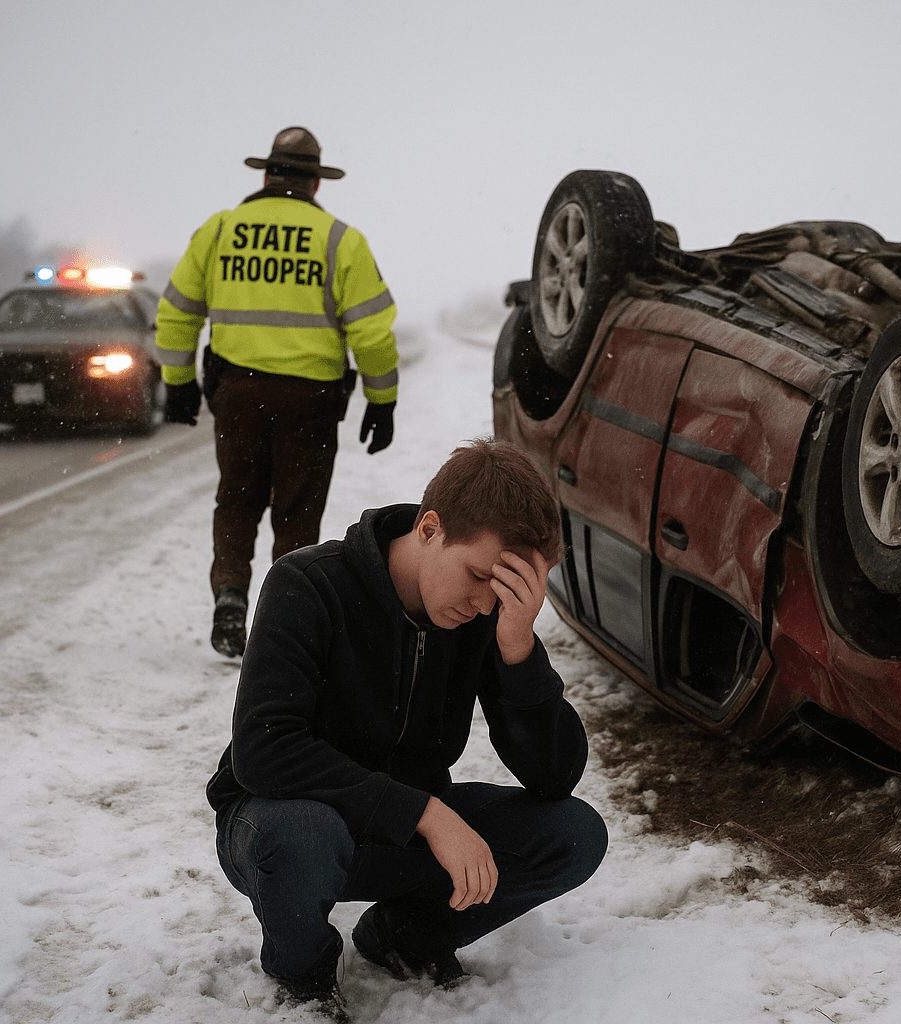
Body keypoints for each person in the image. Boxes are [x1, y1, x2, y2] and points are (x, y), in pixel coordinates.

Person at [207, 440, 607, 1019]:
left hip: (396, 836)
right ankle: (306, 979)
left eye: (501, 593)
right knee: (303, 834)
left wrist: (519, 652)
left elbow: (554, 776)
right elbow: (265, 751)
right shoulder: (309, 584)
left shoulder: (483, 617)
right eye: (475, 576)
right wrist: (426, 814)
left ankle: (402, 938)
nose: (481, 603)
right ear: (429, 528)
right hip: (281, 823)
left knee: (573, 834)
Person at [155, 126, 400, 658]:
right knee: (297, 512)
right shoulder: (341, 240)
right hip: (310, 404)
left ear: (266, 173)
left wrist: (177, 384)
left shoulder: (220, 231)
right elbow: (372, 333)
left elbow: (175, 312)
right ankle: (285, 617)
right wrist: (383, 398)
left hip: (237, 396)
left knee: (237, 500)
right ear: (315, 184)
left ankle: (229, 597)